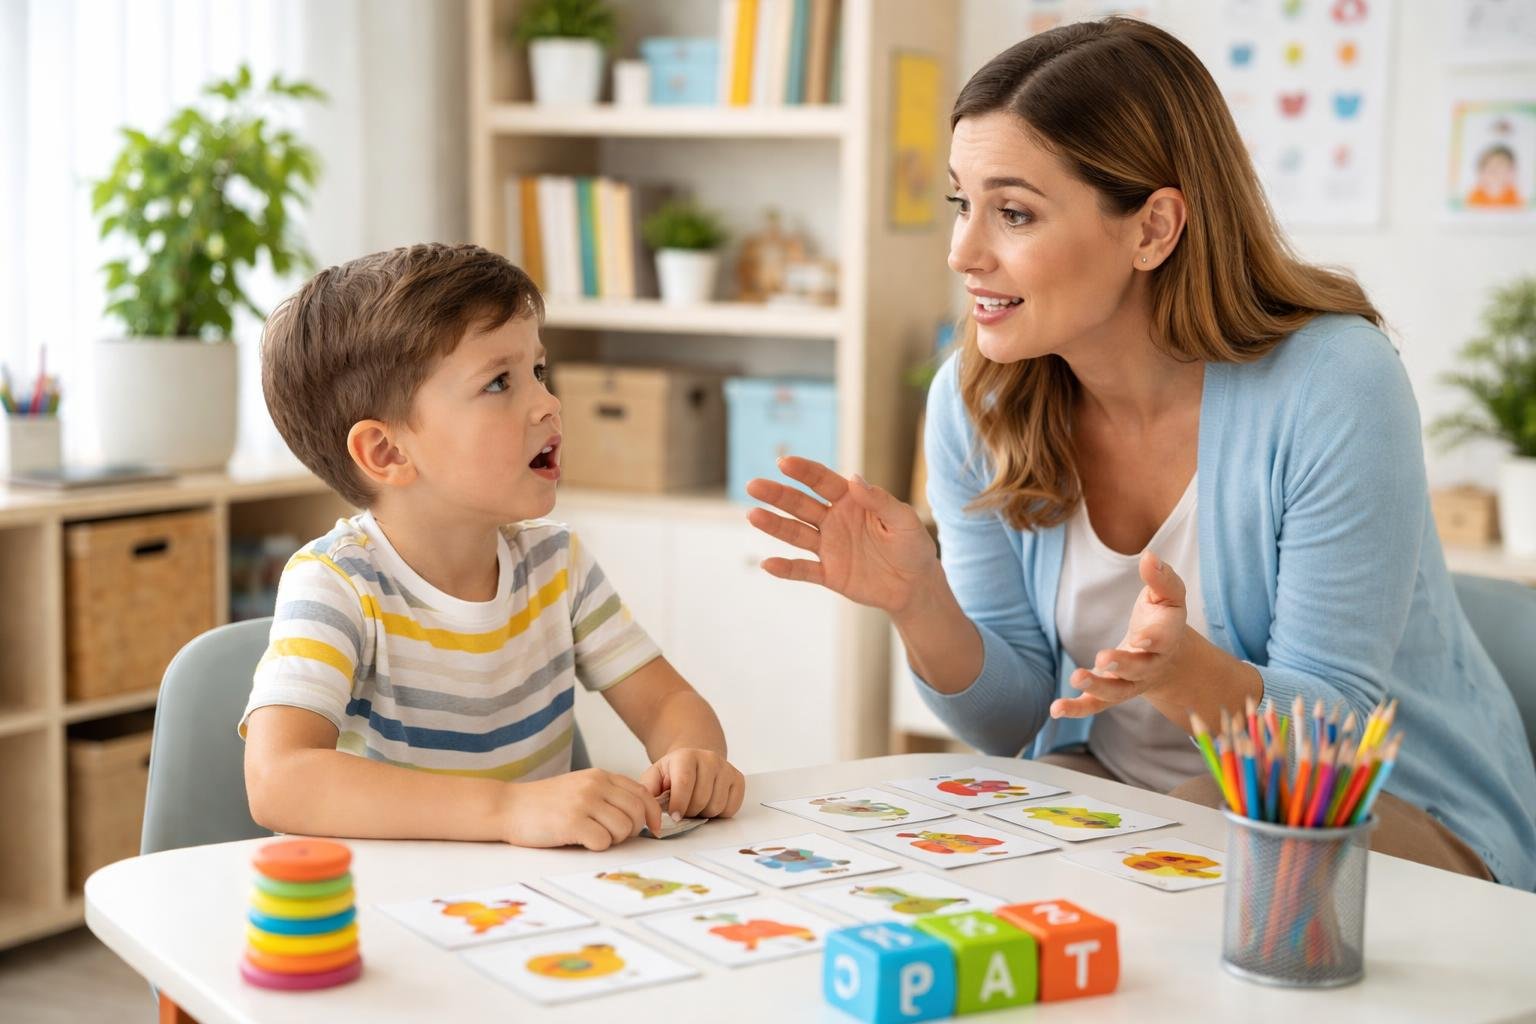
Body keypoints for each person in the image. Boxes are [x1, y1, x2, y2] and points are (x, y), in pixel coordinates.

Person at [745, 19, 1536, 889]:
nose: (963, 252)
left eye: (1013, 213)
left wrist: (1189, 674)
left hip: (1389, 813)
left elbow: (1329, 732)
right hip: (1140, 810)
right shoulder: (976, 401)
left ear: (1154, 228)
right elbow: (1013, 721)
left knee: (1206, 813)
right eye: (961, 204)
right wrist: (919, 598)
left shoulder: (1334, 383)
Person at [242, 243, 744, 850]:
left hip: (530, 903)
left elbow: (667, 701)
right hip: (396, 904)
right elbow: (280, 780)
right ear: (388, 453)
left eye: (538, 370)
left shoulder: (558, 566)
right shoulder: (337, 583)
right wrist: (507, 809)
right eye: (499, 382)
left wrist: (693, 756)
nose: (548, 402)